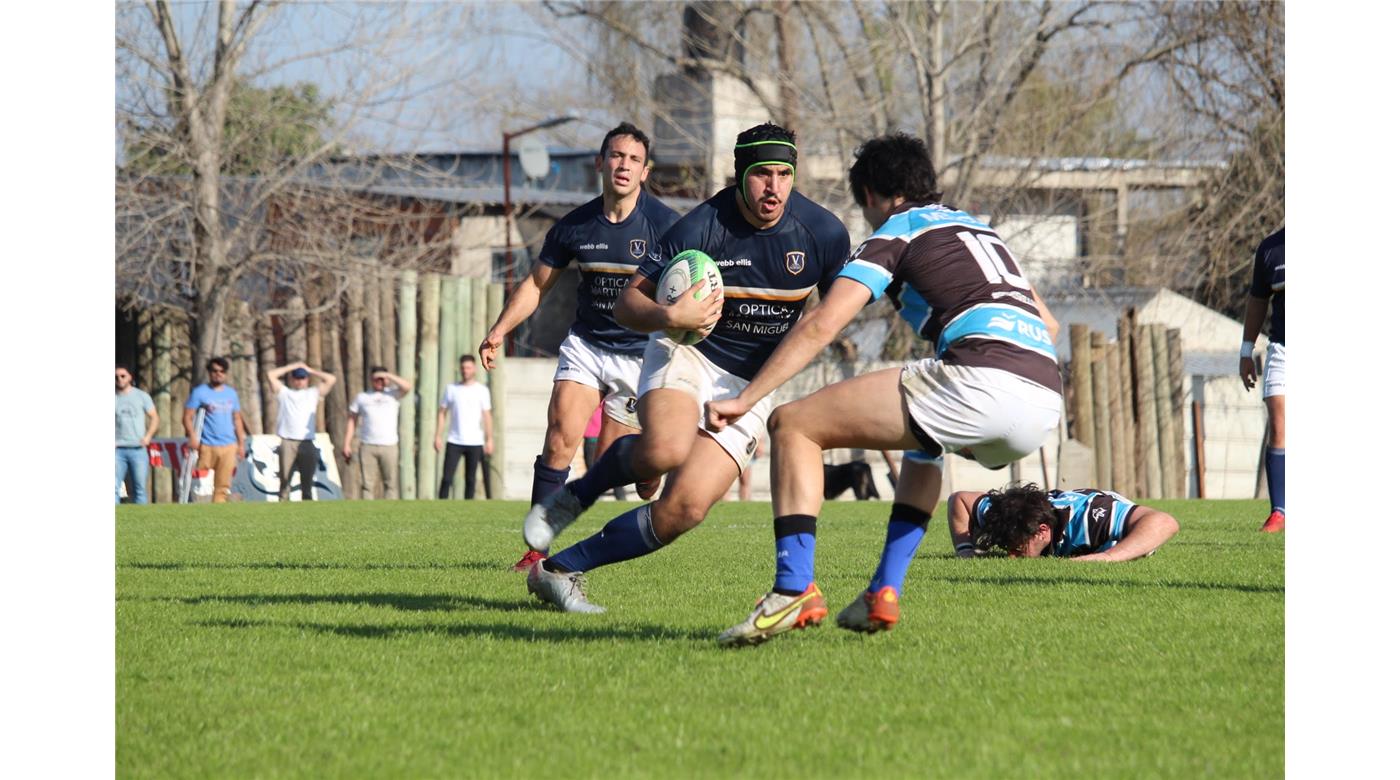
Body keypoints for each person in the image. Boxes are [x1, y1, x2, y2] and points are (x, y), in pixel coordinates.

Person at [707, 132, 1063, 645]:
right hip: (1043, 397)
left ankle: (792, 589)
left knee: (792, 424)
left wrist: (745, 399)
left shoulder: (900, 229)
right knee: (924, 447)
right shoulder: (979, 229)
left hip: (983, 380)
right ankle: (883, 592)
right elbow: (1047, 326)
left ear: (872, 194)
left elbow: (823, 324)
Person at [521, 121, 851, 614]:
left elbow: (832, 316)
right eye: (763, 174)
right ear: (741, 175)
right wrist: (669, 316)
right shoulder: (702, 226)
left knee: (684, 510)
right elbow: (627, 304)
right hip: (687, 350)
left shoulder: (822, 234)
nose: (774, 187)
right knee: (666, 449)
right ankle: (579, 492)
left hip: (753, 383)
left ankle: (558, 571)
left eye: (784, 174)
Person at [478, 123, 679, 570]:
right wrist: (498, 329)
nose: (623, 165)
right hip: (587, 346)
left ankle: (652, 467)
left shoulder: (668, 227)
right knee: (559, 438)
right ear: (600, 163)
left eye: (633, 159)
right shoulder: (574, 226)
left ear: (645, 172)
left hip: (641, 355)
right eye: (616, 156)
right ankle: (536, 551)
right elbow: (535, 285)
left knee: (626, 469)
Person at [1240, 228, 1284, 533]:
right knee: (1279, 424)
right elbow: (1257, 302)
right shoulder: (1271, 249)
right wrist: (1246, 351)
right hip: (1285, 349)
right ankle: (1279, 512)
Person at [267, 361, 337, 501]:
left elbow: (331, 379)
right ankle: (282, 510)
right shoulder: (284, 393)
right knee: (284, 483)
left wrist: (310, 370)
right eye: (297, 378)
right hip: (287, 441)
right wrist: (291, 367)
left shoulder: (313, 393)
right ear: (292, 380)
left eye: (302, 378)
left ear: (307, 380)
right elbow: (270, 375)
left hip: (307, 442)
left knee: (307, 483)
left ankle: (307, 513)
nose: (299, 381)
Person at [183, 356, 248, 503]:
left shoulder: (231, 393)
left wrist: (241, 444)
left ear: (225, 373)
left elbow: (237, 419)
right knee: (195, 478)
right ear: (209, 372)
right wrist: (192, 437)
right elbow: (187, 416)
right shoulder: (200, 392)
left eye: (222, 371)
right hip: (206, 445)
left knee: (222, 485)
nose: (218, 374)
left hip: (228, 445)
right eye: (214, 371)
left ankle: (218, 511)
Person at [344, 366, 412, 500]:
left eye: (382, 379)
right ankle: (368, 513)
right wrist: (347, 443)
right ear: (371, 379)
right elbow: (352, 420)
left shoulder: (393, 394)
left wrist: (389, 376)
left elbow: (407, 387)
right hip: (368, 445)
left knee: (391, 484)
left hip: (389, 445)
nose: (379, 382)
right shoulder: (362, 397)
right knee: (367, 485)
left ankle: (389, 513)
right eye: (377, 379)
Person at [435, 355, 493, 499]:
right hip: (454, 440)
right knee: (447, 477)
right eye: (463, 368)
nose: (465, 371)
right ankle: (440, 506)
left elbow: (487, 416)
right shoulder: (451, 389)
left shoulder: (482, 390)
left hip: (475, 441)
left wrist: (489, 439)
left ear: (474, 369)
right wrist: (438, 436)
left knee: (471, 479)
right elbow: (442, 413)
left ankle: (468, 509)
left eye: (468, 367)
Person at [115, 364, 159, 504]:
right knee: (113, 488)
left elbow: (154, 417)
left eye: (123, 376)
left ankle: (142, 521)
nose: (119, 379)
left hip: (138, 449)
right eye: (116, 377)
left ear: (130, 377)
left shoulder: (141, 396)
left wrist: (148, 436)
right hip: (117, 450)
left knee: (139, 489)